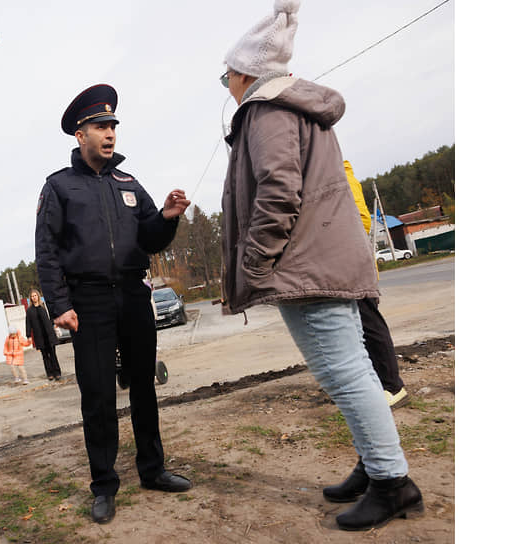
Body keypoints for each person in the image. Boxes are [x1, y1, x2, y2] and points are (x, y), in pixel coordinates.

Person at [217, 0, 422, 531]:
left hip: (304, 268)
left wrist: (256, 263)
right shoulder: (296, 108)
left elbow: (278, 193)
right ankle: (374, 460)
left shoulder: (265, 112)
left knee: (345, 372)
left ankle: (391, 482)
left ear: (246, 74)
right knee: (351, 368)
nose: (228, 88)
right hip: (322, 259)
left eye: (227, 78)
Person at [34, 84, 193, 525]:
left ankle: (153, 469)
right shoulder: (59, 187)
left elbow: (149, 237)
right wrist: (59, 304)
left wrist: (165, 217)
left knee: (143, 384)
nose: (110, 134)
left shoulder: (129, 183)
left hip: (133, 293)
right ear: (80, 134)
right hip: (87, 302)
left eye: (113, 127)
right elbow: (46, 251)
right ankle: (104, 485)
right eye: (100, 126)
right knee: (99, 395)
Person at [345, 160, 410, 409]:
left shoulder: (339, 173)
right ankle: (372, 384)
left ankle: (393, 387)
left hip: (354, 263)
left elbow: (363, 220)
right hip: (341, 267)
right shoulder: (321, 172)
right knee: (354, 330)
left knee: (370, 324)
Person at [25, 289, 62, 380]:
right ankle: (49, 374)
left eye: (35, 295)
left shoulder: (44, 307)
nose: (34, 297)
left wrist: (55, 325)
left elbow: (52, 317)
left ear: (38, 296)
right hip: (39, 336)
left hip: (49, 334)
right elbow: (28, 323)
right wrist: (28, 335)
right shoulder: (29, 311)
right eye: (32, 296)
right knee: (45, 356)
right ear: (30, 298)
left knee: (53, 354)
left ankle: (57, 373)